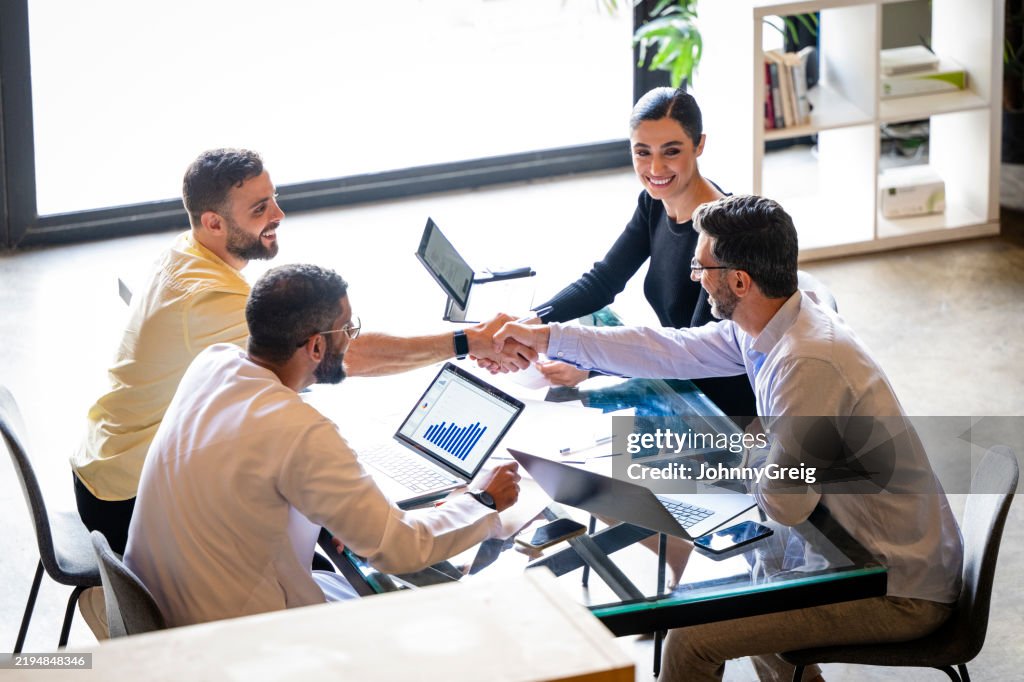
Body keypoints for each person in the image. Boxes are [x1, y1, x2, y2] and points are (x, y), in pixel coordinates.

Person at [494, 195, 963, 682]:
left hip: (895, 586)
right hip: (846, 546)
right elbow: (670, 350)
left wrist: (752, 448)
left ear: (739, 281)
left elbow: (785, 504)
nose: (696, 278)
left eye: (701, 268)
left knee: (693, 636)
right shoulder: (776, 319)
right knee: (745, 587)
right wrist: (547, 337)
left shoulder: (807, 363)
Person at [71, 148, 535, 555]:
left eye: (273, 198)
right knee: (328, 534)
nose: (278, 213)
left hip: (107, 458)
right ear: (212, 222)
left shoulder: (188, 251)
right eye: (259, 209)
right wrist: (465, 341)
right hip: (124, 500)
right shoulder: (208, 301)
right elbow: (344, 354)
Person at [124, 263, 521, 627]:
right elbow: (400, 549)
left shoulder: (213, 362)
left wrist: (346, 511)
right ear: (315, 347)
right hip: (238, 637)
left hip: (169, 606)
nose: (351, 339)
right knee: (431, 620)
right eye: (347, 330)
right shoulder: (300, 432)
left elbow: (247, 471)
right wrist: (481, 500)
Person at [531, 87, 755, 421]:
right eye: (642, 152)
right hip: (673, 380)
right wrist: (530, 321)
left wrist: (590, 364)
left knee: (581, 425)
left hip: (717, 410)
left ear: (699, 145)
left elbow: (693, 352)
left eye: (671, 151)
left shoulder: (724, 234)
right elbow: (603, 280)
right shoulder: (654, 203)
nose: (655, 168)